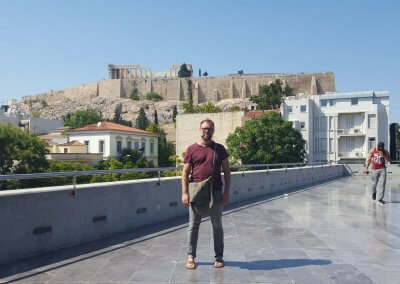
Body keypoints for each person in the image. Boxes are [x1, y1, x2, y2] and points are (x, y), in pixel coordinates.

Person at [181, 119, 231, 270]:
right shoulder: (191, 149)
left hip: (215, 192)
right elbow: (185, 172)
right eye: (204, 128)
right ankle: (191, 257)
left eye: (209, 128)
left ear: (213, 130)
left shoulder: (219, 149)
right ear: (200, 130)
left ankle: (219, 256)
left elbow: (227, 172)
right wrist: (184, 192)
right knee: (193, 226)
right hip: (196, 191)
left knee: (217, 225)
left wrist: (226, 192)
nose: (206, 131)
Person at [364, 141, 391, 205]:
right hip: (374, 169)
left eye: (381, 148)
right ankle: (374, 192)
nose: (380, 150)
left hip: (382, 169)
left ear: (383, 147)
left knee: (382, 184)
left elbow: (389, 160)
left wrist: (384, 155)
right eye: (379, 148)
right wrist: (366, 168)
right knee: (374, 184)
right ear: (377, 146)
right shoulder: (373, 150)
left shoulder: (385, 152)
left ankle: (380, 199)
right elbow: (369, 160)